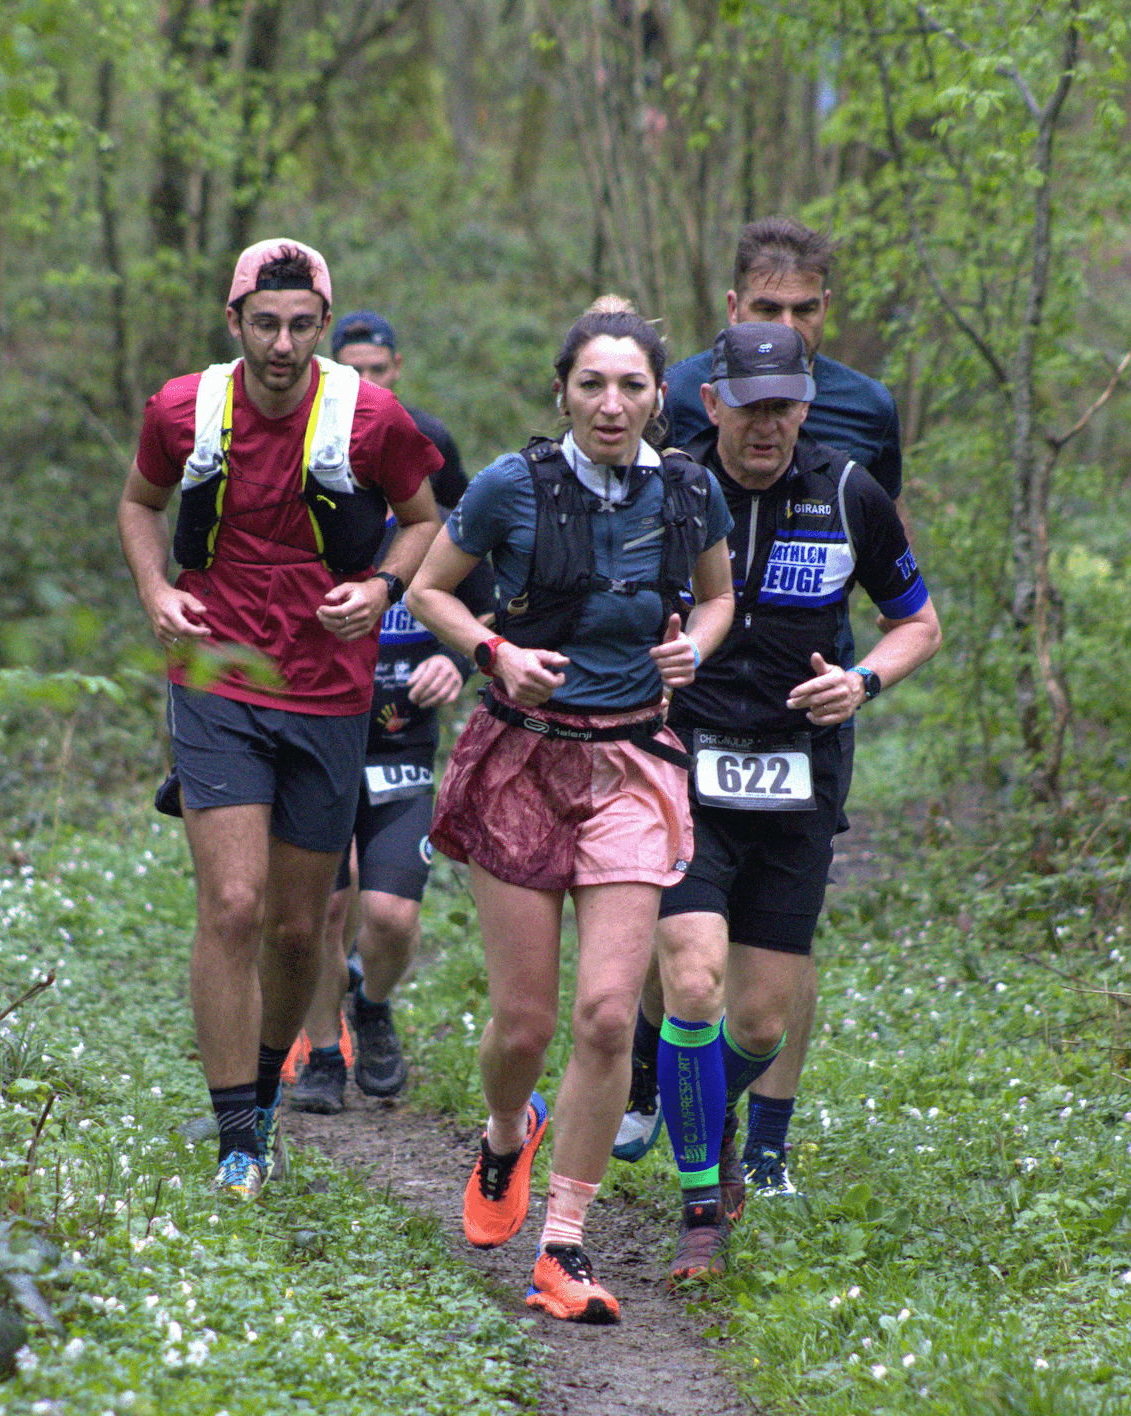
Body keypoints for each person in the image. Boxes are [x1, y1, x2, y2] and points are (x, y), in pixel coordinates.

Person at [406, 307, 735, 1323]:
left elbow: (718, 601)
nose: (610, 404)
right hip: (518, 763)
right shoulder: (512, 486)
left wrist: (696, 650)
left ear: (656, 398)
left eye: (630, 386)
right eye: (592, 384)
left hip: (634, 763)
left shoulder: (686, 490)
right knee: (524, 1023)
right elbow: (427, 592)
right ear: (562, 392)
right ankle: (506, 1131)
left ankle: (564, 1245)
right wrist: (492, 653)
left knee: (602, 1016)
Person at [117, 238, 441, 1200]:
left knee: (301, 930)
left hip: (328, 689)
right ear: (235, 323)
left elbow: (426, 521)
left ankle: (263, 1095)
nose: (284, 345)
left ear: (324, 329)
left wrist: (382, 586)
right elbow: (141, 505)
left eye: (304, 326)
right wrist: (155, 593)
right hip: (216, 677)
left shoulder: (370, 417)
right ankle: (234, 1141)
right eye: (266, 324)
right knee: (232, 906)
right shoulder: (185, 409)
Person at [617, 215, 906, 1195]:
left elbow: (880, 564)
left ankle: (753, 1135)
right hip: (686, 717)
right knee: (687, 960)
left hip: (803, 722)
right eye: (768, 307)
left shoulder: (862, 421)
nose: (768, 419)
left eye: (805, 308)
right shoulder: (673, 417)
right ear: (730, 313)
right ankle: (649, 1088)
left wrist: (853, 680)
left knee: (767, 978)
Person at [652, 322, 940, 1281]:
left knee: (761, 1024)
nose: (765, 425)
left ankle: (690, 1096)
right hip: (684, 761)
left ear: (806, 408)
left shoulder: (852, 494)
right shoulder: (670, 488)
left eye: (783, 405)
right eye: (748, 404)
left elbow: (919, 624)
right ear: (712, 403)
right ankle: (701, 1207)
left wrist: (861, 680)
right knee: (693, 980)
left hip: (799, 774)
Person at [285, 512, 494, 1111]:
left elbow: (493, 613)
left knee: (392, 916)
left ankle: (371, 1006)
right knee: (326, 909)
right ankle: (324, 1053)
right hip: (318, 746)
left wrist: (457, 661)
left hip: (401, 749)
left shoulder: (435, 529)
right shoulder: (306, 518)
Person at [331, 310, 469, 509]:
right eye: (353, 371)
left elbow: (461, 520)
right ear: (332, 369)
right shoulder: (312, 434)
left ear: (397, 366)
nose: (366, 383)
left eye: (378, 369)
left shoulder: (429, 436)